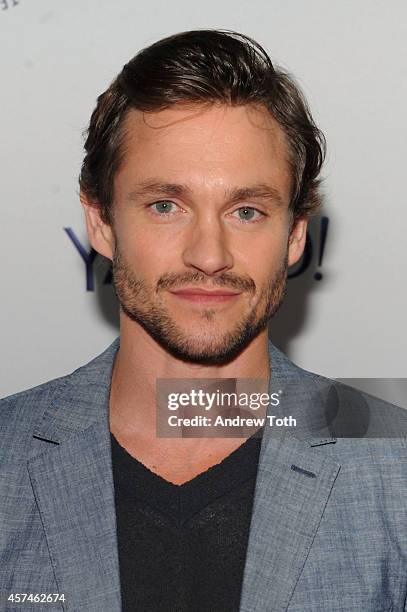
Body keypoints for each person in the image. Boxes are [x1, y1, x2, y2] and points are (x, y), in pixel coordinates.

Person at [1, 29, 407, 612]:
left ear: (295, 235)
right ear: (101, 223)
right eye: (166, 206)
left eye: (247, 210)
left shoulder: (393, 469)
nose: (209, 254)